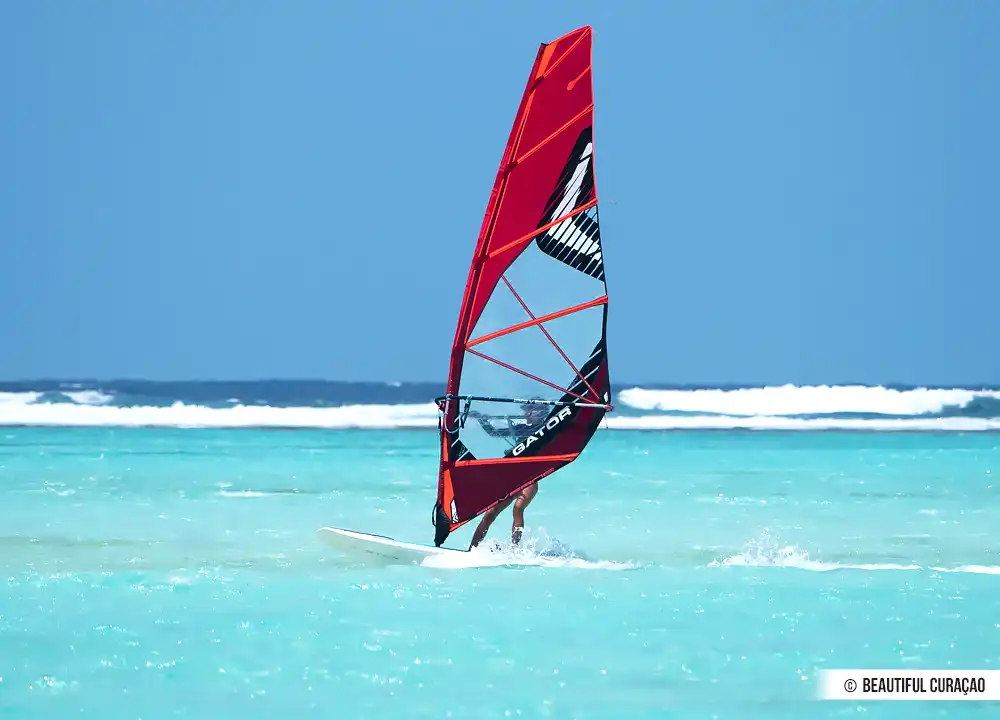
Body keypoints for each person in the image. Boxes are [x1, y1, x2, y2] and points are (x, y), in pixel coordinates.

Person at [466, 401, 550, 550]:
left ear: (541, 413)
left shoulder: (547, 429)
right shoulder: (521, 428)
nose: (526, 414)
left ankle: (514, 548)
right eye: (526, 411)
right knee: (490, 514)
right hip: (513, 476)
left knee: (518, 508)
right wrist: (482, 420)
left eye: (531, 411)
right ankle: (472, 549)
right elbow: (493, 432)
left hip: (530, 478)